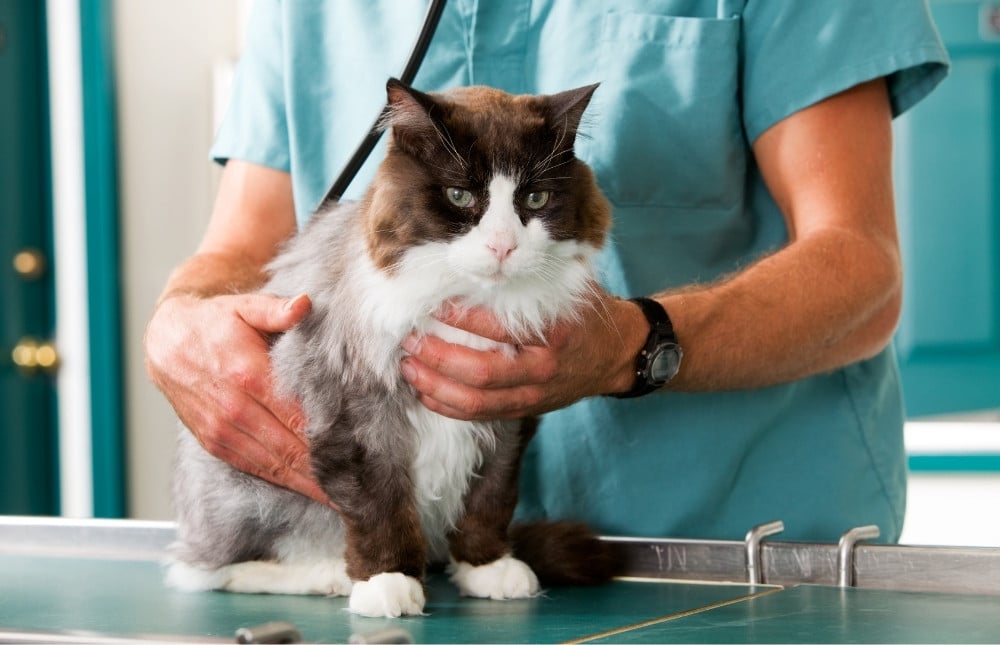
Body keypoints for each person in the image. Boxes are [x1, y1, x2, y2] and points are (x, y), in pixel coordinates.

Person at [144, 1, 949, 543]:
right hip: (426, 566)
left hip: (736, 554)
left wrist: (630, 344)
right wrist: (179, 321)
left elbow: (862, 269)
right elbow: (242, 249)